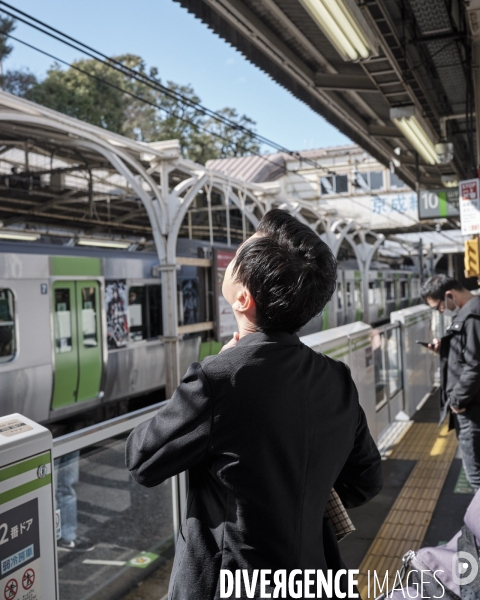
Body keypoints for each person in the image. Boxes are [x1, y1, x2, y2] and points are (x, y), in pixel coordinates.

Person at [126, 209, 383, 599]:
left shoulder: (218, 379)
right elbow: (367, 480)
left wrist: (209, 372)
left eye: (241, 254)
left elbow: (143, 460)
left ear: (243, 298)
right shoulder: (336, 378)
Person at [422, 274, 480, 491]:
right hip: (472, 405)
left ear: (449, 295)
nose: (442, 312)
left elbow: (475, 365)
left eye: (438, 307)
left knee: (476, 477)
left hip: (471, 409)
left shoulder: (472, 316)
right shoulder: (471, 311)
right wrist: (444, 347)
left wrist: (457, 401)